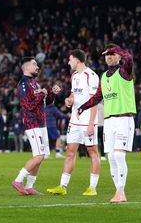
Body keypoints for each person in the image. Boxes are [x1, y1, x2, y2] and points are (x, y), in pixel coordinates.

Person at [78, 43, 136, 203]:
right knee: (110, 157)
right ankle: (118, 192)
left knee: (118, 154)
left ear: (118, 56)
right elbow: (97, 97)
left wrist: (114, 48)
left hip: (124, 118)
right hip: (109, 122)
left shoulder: (125, 72)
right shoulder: (103, 76)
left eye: (112, 54)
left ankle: (121, 192)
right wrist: (83, 107)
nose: (109, 57)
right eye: (107, 55)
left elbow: (129, 57)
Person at [47, 49, 101, 196]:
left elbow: (95, 102)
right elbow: (74, 94)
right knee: (70, 152)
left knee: (92, 152)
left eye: (70, 59)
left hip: (87, 121)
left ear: (78, 60)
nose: (68, 62)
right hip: (75, 121)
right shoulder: (74, 76)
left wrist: (91, 124)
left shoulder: (92, 76)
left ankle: (92, 188)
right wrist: (69, 100)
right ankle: (62, 186)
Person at [11, 56, 61, 196]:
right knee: (38, 156)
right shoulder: (23, 84)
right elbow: (28, 106)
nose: (37, 66)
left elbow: (46, 102)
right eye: (34, 64)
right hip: (32, 123)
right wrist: (41, 95)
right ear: (26, 67)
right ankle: (18, 180)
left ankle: (29, 186)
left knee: (41, 156)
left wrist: (51, 93)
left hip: (41, 123)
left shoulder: (35, 83)